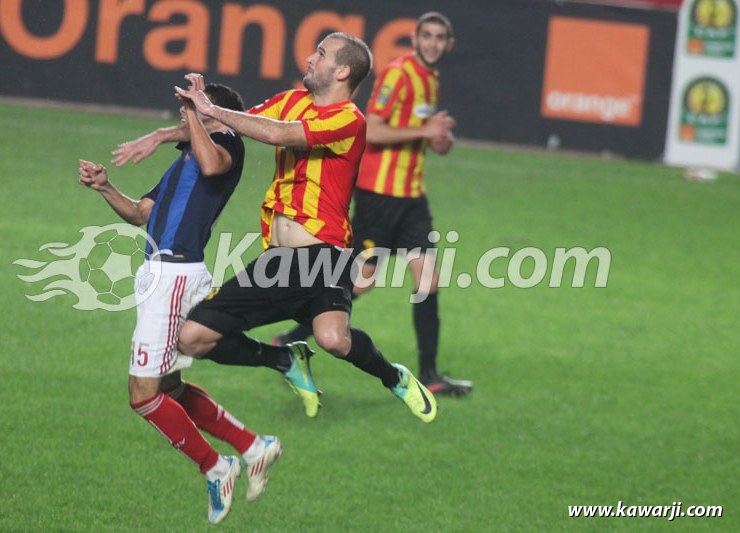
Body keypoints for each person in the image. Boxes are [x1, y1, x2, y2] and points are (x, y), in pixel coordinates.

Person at [172, 32, 438, 423]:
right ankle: (392, 376)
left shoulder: (349, 119)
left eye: (322, 53)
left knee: (191, 338)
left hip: (315, 255)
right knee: (334, 339)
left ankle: (282, 358)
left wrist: (209, 107)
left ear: (342, 70)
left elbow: (276, 134)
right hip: (302, 259)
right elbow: (241, 124)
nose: (311, 59)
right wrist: (169, 130)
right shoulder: (291, 101)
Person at [77, 75, 281, 525]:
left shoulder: (226, 149)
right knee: (169, 387)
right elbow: (140, 214)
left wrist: (195, 108)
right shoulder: (183, 163)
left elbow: (212, 162)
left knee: (143, 395)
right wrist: (106, 187)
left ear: (213, 114)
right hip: (162, 273)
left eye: (192, 109)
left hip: (173, 275)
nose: (183, 119)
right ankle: (252, 446)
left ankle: (216, 466)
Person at [273, 13, 472, 397]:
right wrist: (425, 131)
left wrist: (437, 141)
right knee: (361, 283)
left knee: (428, 282)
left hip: (412, 198)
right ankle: (290, 339)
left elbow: (418, 134)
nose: (432, 43)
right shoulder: (398, 74)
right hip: (379, 196)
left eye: (439, 37)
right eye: (426, 36)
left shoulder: (431, 79)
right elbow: (375, 128)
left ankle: (429, 373)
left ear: (449, 44)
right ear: (414, 39)